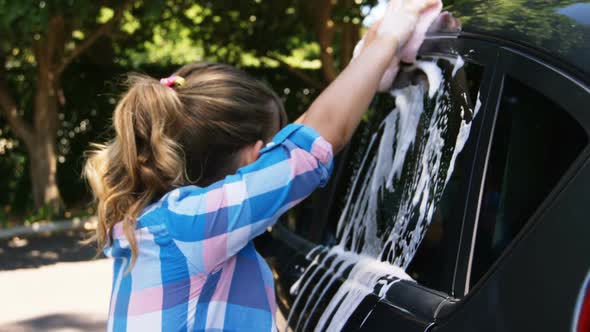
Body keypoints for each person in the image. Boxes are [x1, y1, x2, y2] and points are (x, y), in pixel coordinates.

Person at [83, 0, 439, 330]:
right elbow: (311, 145)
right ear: (254, 158)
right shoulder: (194, 227)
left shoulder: (154, 223)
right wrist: (391, 33)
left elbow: (300, 138)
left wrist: (369, 64)